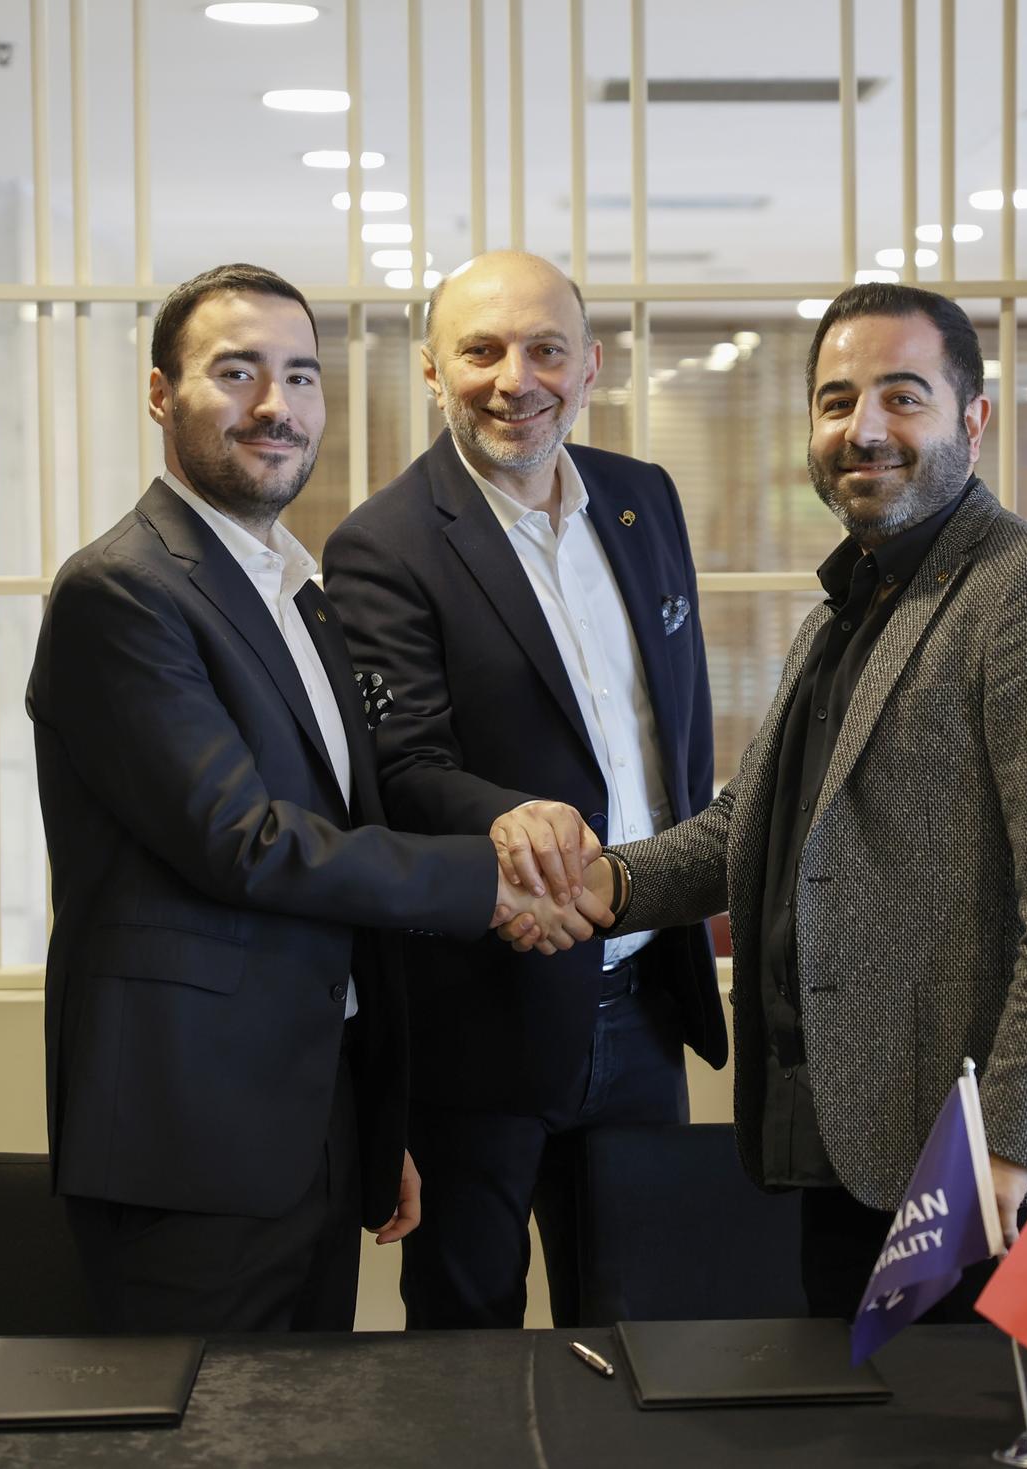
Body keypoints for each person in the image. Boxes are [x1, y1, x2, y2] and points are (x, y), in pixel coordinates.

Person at [27, 263, 593, 1334]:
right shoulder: (122, 591)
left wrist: (375, 1121)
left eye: (298, 375)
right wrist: (493, 879)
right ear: (160, 394)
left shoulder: (297, 594)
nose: (274, 406)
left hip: (311, 1124)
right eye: (235, 372)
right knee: (200, 1422)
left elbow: (346, 842)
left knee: (312, 1414)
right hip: (187, 1138)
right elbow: (244, 842)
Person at [575, 281, 1027, 1320]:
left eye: (902, 396)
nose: (865, 429)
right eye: (837, 401)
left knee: (980, 1413)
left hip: (989, 1175)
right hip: (857, 1148)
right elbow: (751, 829)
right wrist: (599, 884)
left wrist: (1010, 1147)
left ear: (973, 419)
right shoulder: (844, 609)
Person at [323, 252, 725, 1328]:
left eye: (546, 348)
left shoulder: (644, 501)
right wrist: (509, 821)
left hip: (644, 1004)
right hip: (480, 1027)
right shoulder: (382, 543)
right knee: (471, 1347)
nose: (517, 379)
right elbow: (403, 767)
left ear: (590, 365)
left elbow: (672, 736)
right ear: (431, 369)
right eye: (482, 350)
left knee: (649, 1332)